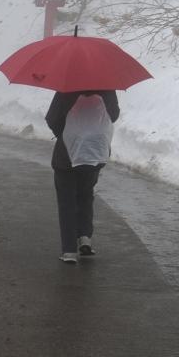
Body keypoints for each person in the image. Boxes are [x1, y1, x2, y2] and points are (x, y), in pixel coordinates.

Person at [45, 89, 119, 264]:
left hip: (67, 153)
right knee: (86, 194)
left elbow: (52, 118)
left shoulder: (66, 87)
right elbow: (114, 115)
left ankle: (69, 250)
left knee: (67, 201)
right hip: (95, 151)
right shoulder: (107, 86)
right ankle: (85, 237)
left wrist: (65, 132)